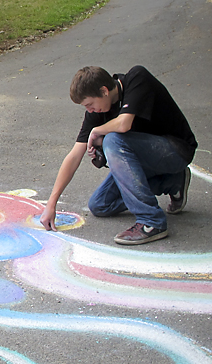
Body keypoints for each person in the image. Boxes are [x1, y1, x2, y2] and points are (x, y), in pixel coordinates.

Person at [40, 65, 196, 246]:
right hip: (147, 162)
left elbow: (123, 124)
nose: (89, 110)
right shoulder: (97, 112)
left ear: (104, 91)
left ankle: (151, 221)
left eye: (90, 104)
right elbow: (74, 156)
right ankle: (173, 182)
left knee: (112, 140)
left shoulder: (137, 78)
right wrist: (51, 204)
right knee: (99, 205)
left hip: (176, 151)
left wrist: (97, 131)